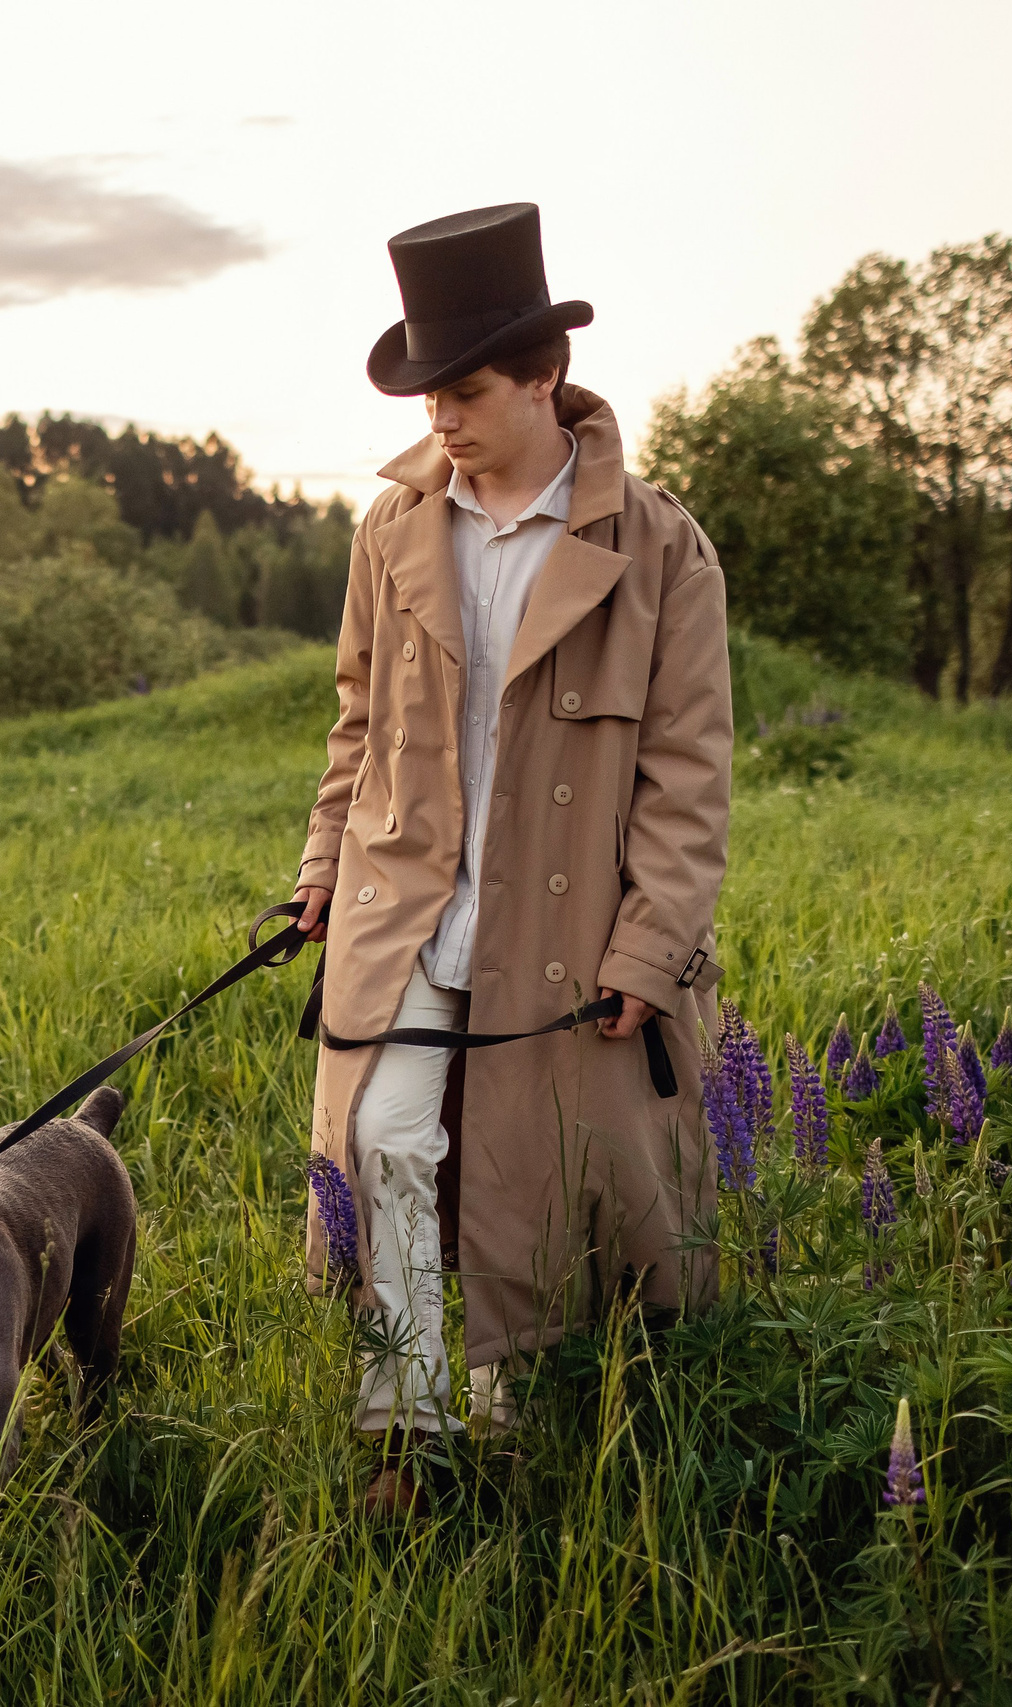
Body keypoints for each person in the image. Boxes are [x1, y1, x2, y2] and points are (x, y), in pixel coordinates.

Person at [290, 204, 732, 1517]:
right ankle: (416, 1440)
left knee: (545, 1185)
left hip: (566, 930)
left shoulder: (660, 549)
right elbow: (356, 720)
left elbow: (688, 774)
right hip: (402, 910)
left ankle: (557, 1432)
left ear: (544, 374)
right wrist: (321, 860)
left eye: (469, 390)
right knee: (391, 1147)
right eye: (428, 392)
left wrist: (652, 942)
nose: (443, 419)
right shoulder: (389, 532)